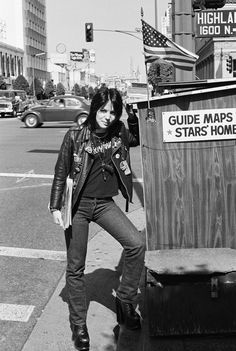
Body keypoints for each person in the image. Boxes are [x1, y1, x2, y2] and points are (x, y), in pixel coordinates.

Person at [49, 87, 145, 351]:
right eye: (103, 110)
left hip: (104, 205)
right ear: (94, 109)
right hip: (78, 206)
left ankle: (124, 301)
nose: (108, 116)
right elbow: (61, 171)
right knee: (76, 267)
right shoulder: (75, 135)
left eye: (113, 112)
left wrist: (134, 116)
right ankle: (79, 326)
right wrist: (55, 206)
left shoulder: (119, 131)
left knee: (136, 243)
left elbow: (135, 138)